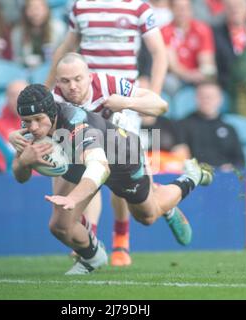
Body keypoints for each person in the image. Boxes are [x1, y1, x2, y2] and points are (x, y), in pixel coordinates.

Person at [11, 84, 214, 275]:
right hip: (80, 161)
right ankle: (93, 258)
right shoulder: (29, 125)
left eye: (38, 119)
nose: (33, 127)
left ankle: (191, 177)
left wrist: (73, 199)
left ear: (52, 112)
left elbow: (100, 168)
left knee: (147, 216)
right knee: (59, 226)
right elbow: (20, 178)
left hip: (122, 158)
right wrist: (23, 162)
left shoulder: (77, 123)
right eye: (28, 121)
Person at [10, 53, 179, 267]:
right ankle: (92, 247)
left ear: (89, 76)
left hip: (121, 150)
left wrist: (126, 102)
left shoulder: (108, 84)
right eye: (64, 81)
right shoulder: (53, 101)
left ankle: (135, 227)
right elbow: (36, 128)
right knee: (61, 215)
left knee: (146, 216)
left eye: (77, 79)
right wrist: (19, 143)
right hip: (81, 154)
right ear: (57, 81)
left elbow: (161, 106)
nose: (71, 86)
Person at [43, 0, 169, 267]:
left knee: (119, 175)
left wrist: (151, 98)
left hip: (120, 98)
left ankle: (121, 239)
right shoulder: (80, 7)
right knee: (82, 168)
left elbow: (159, 53)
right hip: (80, 88)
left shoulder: (138, 7)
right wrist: (45, 91)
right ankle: (91, 236)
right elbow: (66, 48)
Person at [172, 81, 245, 171]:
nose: (207, 100)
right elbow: (179, 158)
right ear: (196, 98)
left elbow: (240, 161)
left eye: (211, 97)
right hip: (195, 178)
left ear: (220, 99)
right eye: (202, 96)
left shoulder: (229, 129)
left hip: (225, 177)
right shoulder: (182, 125)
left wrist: (231, 167)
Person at [160, 0, 217, 96]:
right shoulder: (164, 31)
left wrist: (202, 74)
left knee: (211, 75)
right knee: (170, 83)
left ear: (191, 9)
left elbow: (207, 60)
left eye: (186, 8)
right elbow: (173, 65)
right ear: (171, 9)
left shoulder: (202, 29)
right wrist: (190, 75)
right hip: (177, 76)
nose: (182, 11)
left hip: (198, 75)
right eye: (178, 8)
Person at [0, 80, 28, 172]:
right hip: (11, 180)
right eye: (13, 95)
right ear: (7, 98)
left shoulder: (43, 124)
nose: (18, 99)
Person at [10, 0, 66, 69]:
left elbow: (64, 56)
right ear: (25, 11)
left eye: (39, 8)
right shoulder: (18, 32)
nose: (35, 13)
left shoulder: (59, 28)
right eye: (31, 8)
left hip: (53, 70)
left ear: (47, 9)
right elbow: (16, 59)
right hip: (27, 72)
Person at [213, 0, 246, 90]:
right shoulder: (215, 34)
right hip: (228, 84)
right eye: (230, 7)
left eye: (238, 6)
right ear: (224, 9)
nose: (234, 10)